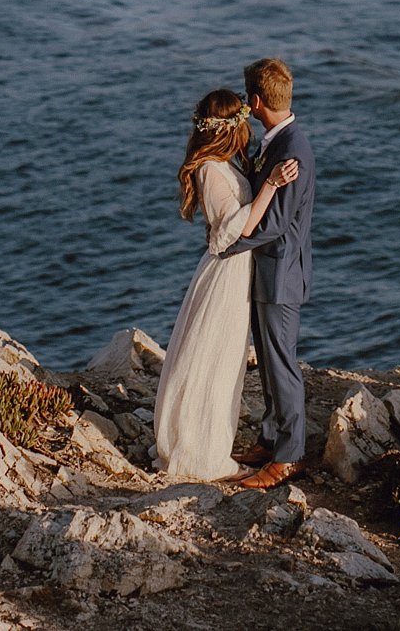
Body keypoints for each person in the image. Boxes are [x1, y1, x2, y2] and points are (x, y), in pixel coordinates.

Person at [150, 88, 298, 479]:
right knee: (214, 360)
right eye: (242, 121)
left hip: (236, 272)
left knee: (223, 358)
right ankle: (202, 453)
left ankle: (205, 441)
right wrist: (271, 186)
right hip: (226, 272)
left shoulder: (223, 162)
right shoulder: (210, 170)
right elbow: (232, 232)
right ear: (229, 128)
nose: (249, 127)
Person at [222, 57, 316, 489]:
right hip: (269, 272)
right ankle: (269, 438)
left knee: (281, 366)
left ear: (257, 101)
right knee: (269, 362)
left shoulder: (292, 149)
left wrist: (228, 245)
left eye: (247, 99)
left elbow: (275, 223)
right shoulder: (277, 141)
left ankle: (289, 456)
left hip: (279, 277)